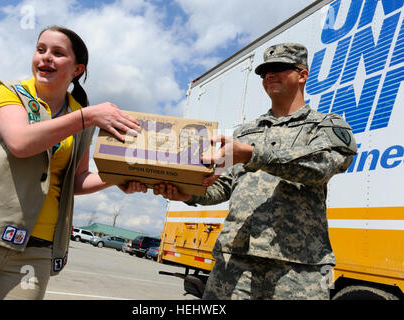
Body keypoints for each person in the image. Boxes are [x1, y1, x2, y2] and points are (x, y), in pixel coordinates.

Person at [0, 25, 146, 300]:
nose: (45, 58)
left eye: (57, 53)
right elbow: (21, 142)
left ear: (77, 69)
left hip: (36, 249)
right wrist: (89, 117)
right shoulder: (9, 92)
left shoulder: (82, 117)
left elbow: (76, 180)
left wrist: (119, 177)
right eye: (40, 50)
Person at [153, 43, 357, 300]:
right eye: (265, 72)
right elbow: (223, 186)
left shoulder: (326, 125)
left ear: (302, 75)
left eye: (280, 68)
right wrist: (188, 193)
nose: (270, 75)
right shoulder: (245, 133)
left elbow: (323, 166)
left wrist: (253, 154)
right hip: (235, 262)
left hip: (296, 268)